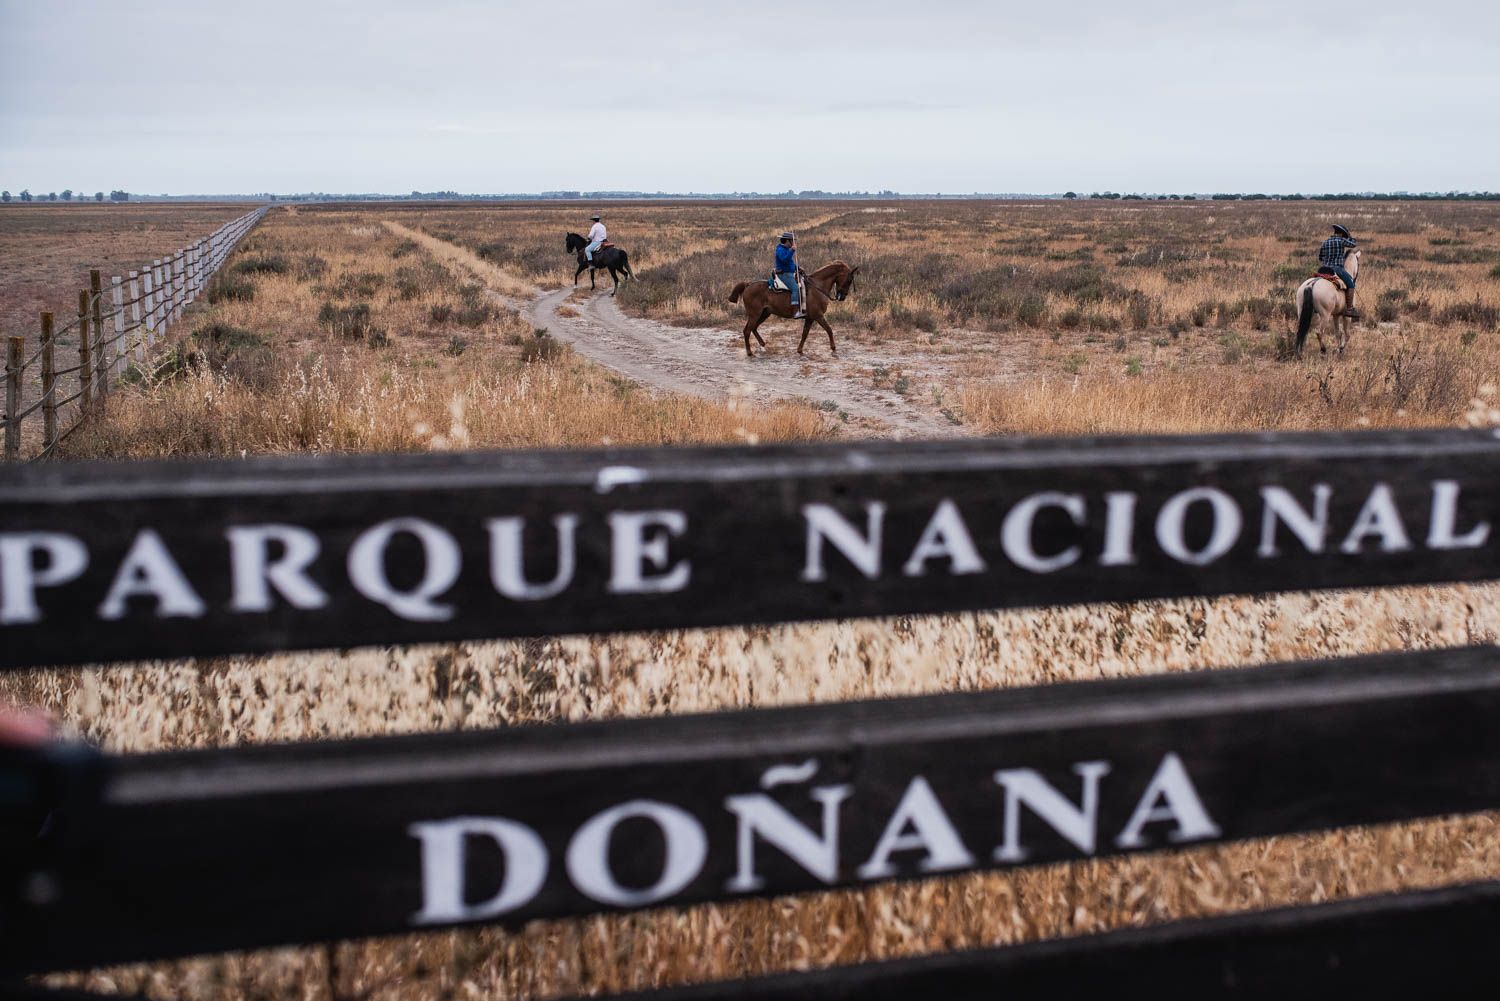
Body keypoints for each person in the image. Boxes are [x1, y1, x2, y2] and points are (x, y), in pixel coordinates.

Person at [1318, 224, 1360, 319]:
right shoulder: (1341, 240)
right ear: (1341, 234)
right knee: (1351, 284)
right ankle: (1349, 308)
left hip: (1323, 269)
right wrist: (1349, 237)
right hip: (1337, 268)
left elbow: (1320, 257)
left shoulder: (1325, 242)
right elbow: (1353, 244)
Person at [773, 231, 804, 317]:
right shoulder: (780, 249)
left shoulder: (786, 249)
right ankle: (795, 311)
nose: (794, 243)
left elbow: (790, 263)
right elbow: (784, 260)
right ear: (787, 241)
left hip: (789, 273)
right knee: (795, 288)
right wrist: (792, 251)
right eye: (792, 241)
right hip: (784, 274)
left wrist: (798, 268)